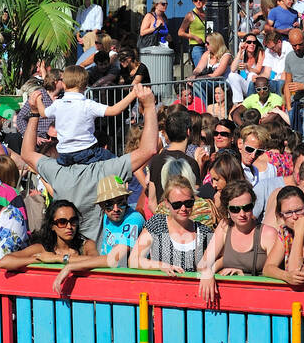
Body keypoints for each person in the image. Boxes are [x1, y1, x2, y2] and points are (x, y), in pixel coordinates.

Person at [21, 82, 158, 243]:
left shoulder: (56, 171)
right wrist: (149, 107)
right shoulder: (106, 169)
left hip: (68, 256)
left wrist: (35, 114)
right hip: (99, 259)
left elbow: (27, 153)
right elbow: (149, 149)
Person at [198, 180, 277, 303]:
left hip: (260, 302)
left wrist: (244, 276)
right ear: (227, 210)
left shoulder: (267, 234)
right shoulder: (224, 227)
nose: (242, 214)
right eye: (235, 209)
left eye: (247, 208)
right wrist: (208, 271)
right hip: (228, 302)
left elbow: (276, 277)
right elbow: (203, 264)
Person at [43, 66, 136, 166]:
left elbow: (43, 113)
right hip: (86, 151)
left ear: (64, 85)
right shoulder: (88, 105)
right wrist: (133, 94)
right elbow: (114, 110)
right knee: (117, 163)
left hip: (64, 154)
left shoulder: (58, 104)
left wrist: (38, 102)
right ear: (85, 86)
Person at [131, 177, 212, 274]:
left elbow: (222, 259)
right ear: (167, 203)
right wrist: (161, 266)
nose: (183, 208)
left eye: (188, 203)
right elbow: (134, 260)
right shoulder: (157, 224)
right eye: (177, 204)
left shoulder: (203, 231)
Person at [177, 0, 207, 68]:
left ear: (204, 1)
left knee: (208, 71)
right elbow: (180, 32)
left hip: (208, 46)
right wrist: (194, 37)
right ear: (193, 2)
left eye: (200, 0)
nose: (198, 2)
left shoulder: (207, 14)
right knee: (200, 70)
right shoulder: (190, 15)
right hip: (196, 46)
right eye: (196, 0)